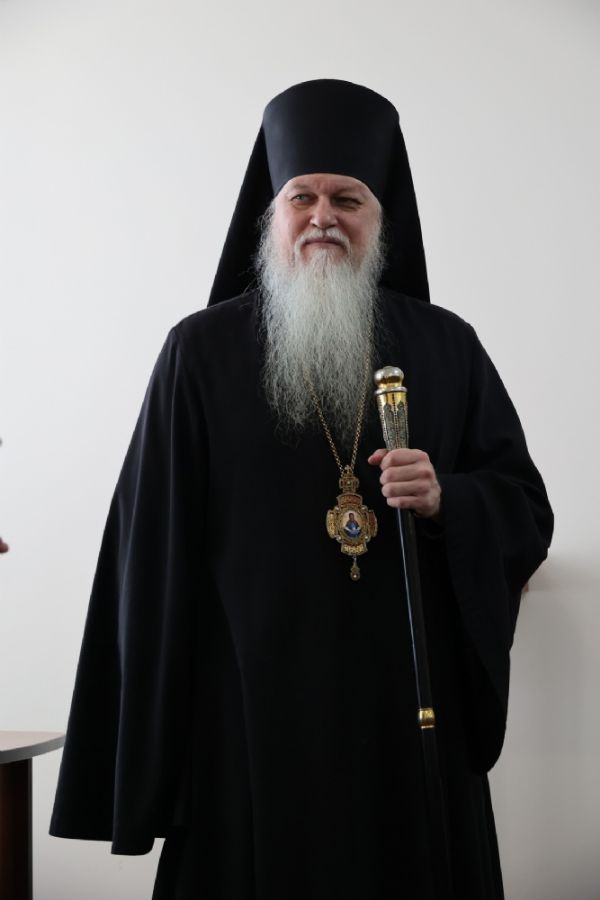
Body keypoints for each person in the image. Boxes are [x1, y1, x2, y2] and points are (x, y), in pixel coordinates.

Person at [49, 80, 553, 900]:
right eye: (303, 198)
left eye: (347, 199)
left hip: (406, 717)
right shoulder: (199, 354)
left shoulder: (448, 346)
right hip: (245, 720)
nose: (324, 217)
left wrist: (448, 500)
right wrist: (149, 752)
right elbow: (149, 557)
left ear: (381, 218)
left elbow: (523, 508)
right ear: (272, 216)